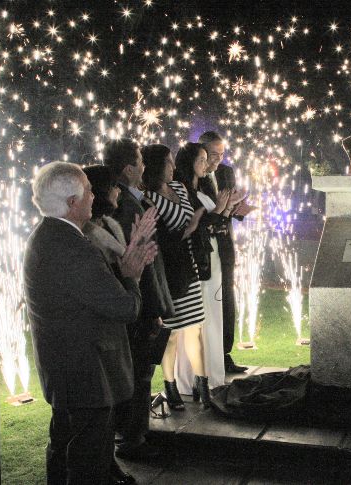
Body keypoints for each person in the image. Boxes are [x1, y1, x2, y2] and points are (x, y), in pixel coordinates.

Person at [24, 161, 156, 485]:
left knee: (66, 451)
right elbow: (125, 308)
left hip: (68, 371)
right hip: (86, 374)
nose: (94, 196)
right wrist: (131, 276)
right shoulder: (71, 249)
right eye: (88, 190)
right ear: (72, 203)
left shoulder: (50, 235)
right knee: (87, 463)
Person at [103, 138, 174, 462]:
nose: (145, 168)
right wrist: (153, 307)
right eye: (141, 162)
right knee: (139, 370)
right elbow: (137, 262)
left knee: (140, 369)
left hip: (142, 299)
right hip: (140, 301)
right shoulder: (126, 207)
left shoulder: (134, 200)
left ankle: (134, 434)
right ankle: (133, 439)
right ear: (129, 168)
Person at [140, 143, 212, 408]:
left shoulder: (180, 188)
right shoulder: (147, 198)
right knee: (170, 334)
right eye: (168, 162)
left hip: (188, 268)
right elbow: (161, 239)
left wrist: (201, 221)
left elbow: (197, 216)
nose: (173, 166)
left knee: (194, 330)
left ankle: (203, 385)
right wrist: (189, 227)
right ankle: (169, 386)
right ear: (156, 167)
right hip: (168, 273)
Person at [197, 131, 250, 374]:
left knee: (228, 300)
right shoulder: (195, 176)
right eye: (213, 154)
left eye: (221, 154)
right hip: (206, 246)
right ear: (202, 151)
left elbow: (230, 206)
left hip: (226, 244)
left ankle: (225, 353)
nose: (218, 159)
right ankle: (207, 354)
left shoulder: (226, 172)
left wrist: (239, 207)